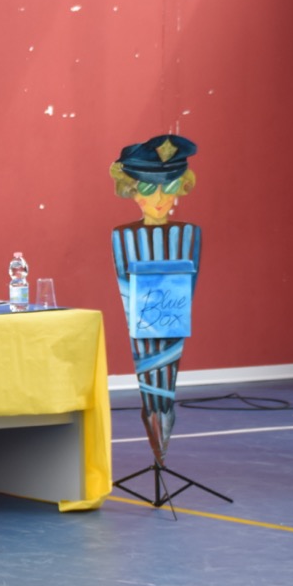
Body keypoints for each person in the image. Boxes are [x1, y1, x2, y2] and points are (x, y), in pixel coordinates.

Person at [110, 134, 200, 468]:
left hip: (171, 322)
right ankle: (155, 429)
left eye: (170, 186)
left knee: (166, 381)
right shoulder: (123, 236)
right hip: (144, 331)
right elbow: (127, 287)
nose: (159, 198)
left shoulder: (189, 235)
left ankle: (163, 437)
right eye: (148, 188)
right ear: (132, 190)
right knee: (151, 382)